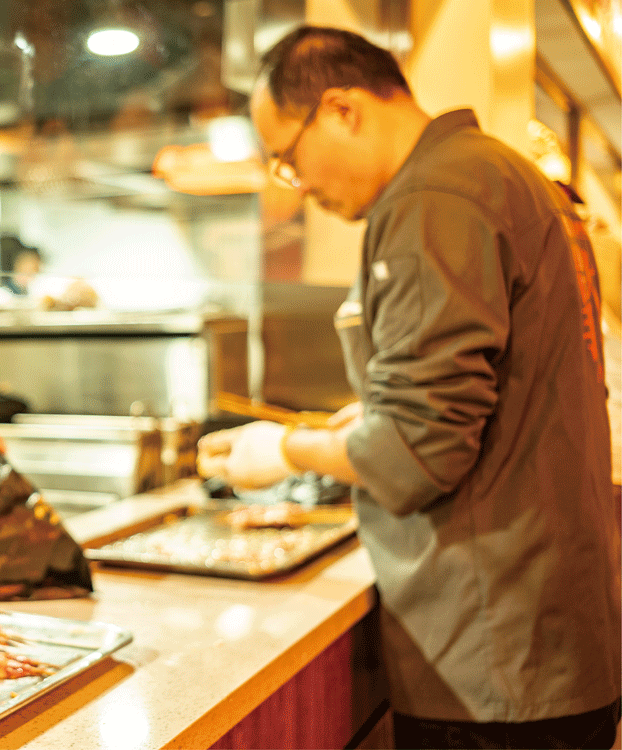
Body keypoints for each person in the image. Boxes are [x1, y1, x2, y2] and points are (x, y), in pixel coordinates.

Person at [197, 26, 621, 749]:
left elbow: (416, 453)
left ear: (342, 110)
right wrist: (363, 418)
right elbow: (492, 391)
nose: (297, 185)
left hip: (497, 659)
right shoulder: (498, 173)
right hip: (550, 635)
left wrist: (287, 450)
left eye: (288, 157)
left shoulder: (434, 197)